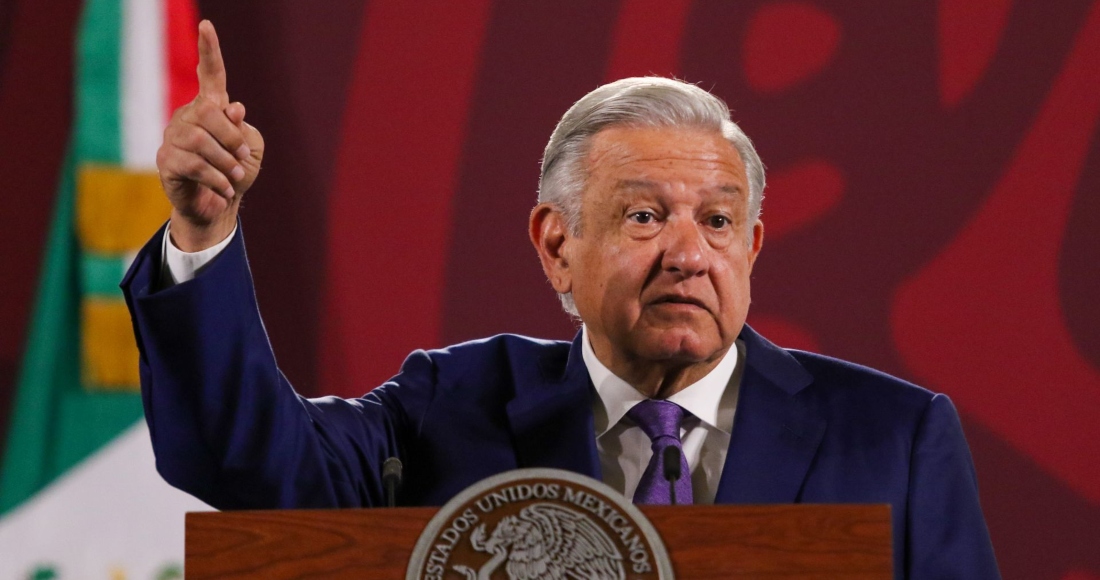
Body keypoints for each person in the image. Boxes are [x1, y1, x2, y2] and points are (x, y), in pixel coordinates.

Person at [123, 21, 1000, 578]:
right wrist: (204, 231)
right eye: (645, 216)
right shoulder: (448, 409)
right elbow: (243, 460)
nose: (689, 254)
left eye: (719, 221)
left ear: (753, 247)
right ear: (556, 245)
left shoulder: (894, 436)